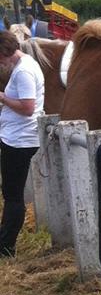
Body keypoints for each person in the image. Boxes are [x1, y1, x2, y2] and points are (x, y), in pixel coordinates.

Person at [0, 30, 45, 258]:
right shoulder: (24, 65)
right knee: (10, 192)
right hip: (16, 136)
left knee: (12, 194)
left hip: (20, 140)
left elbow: (28, 108)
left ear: (7, 52)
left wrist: (2, 97)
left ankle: (7, 246)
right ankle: (5, 241)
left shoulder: (23, 72)